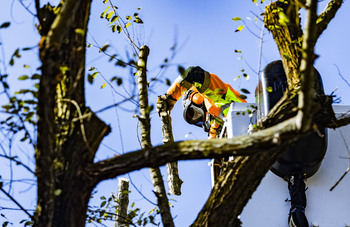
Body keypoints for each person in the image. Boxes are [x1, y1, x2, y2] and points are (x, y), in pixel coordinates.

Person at [157, 66, 246, 138]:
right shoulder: (214, 130)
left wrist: (169, 98)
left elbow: (192, 73)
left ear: (195, 97)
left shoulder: (216, 94)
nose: (199, 118)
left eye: (195, 113)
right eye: (195, 118)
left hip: (249, 122)